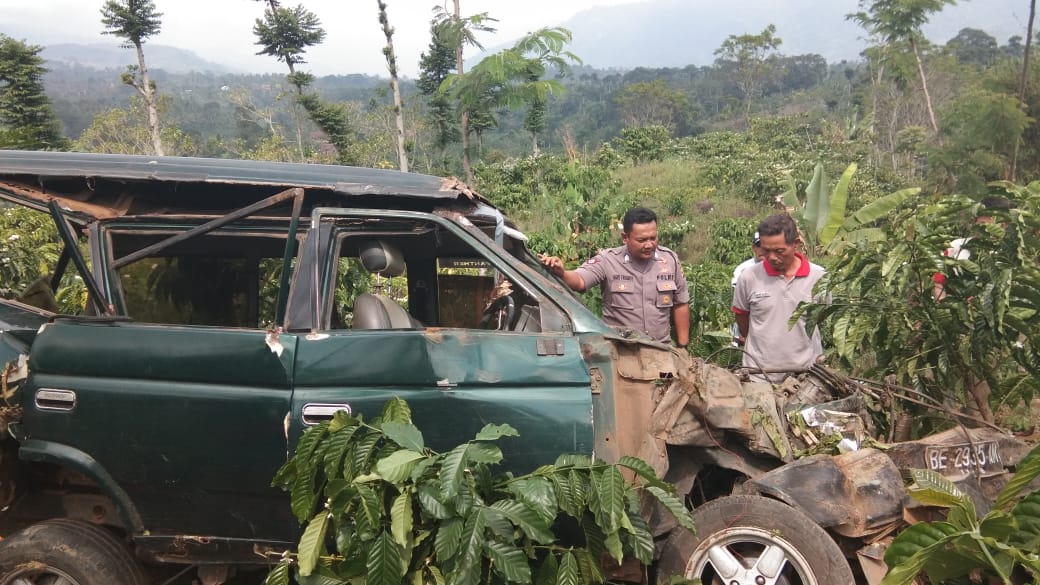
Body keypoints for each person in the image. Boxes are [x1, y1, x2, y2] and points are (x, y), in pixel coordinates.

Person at [539, 207, 690, 348]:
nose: (649, 245)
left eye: (653, 238)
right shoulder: (608, 260)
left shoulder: (669, 260)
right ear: (625, 237)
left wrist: (683, 346)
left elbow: (681, 303)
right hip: (620, 350)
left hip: (660, 348)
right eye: (642, 240)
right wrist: (562, 273)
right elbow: (579, 280)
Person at [732, 213, 825, 381]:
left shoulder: (818, 278)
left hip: (807, 376)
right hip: (759, 375)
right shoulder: (749, 277)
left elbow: (823, 317)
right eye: (766, 251)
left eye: (779, 251)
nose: (772, 257)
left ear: (795, 244)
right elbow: (742, 317)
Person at [730, 231, 764, 344]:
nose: (762, 249)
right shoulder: (743, 270)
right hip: (744, 332)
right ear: (754, 248)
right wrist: (745, 333)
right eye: (759, 245)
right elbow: (739, 306)